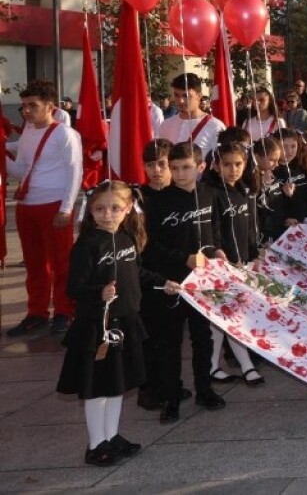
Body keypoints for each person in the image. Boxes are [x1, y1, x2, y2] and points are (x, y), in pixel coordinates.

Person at [58, 181, 181, 466]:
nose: (107, 214)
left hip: (126, 322)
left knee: (118, 386)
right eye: (100, 209)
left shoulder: (126, 239)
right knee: (97, 389)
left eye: (115, 208)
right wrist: (97, 293)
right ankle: (95, 444)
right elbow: (73, 288)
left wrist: (164, 283)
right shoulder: (86, 246)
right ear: (90, 211)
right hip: (98, 328)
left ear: (127, 209)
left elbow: (136, 272)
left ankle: (112, 437)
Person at [139, 142, 225, 422]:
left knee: (202, 337)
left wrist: (218, 252)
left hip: (202, 281)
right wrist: (182, 259)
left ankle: (204, 388)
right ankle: (171, 397)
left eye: (186, 167)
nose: (179, 173)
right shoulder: (158, 202)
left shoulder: (210, 194)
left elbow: (213, 233)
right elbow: (149, 247)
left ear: (200, 167)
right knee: (169, 342)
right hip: (171, 282)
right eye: (174, 168)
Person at [6, 79, 83, 337]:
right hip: (27, 205)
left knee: (62, 262)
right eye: (24, 106)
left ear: (50, 106)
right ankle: (36, 313)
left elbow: (76, 172)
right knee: (35, 264)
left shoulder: (65, 134)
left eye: (33, 105)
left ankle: (64, 311)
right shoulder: (28, 132)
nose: (26, 111)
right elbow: (21, 171)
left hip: (54, 206)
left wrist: (66, 208)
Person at [205, 142, 264, 388]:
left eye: (238, 164)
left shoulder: (243, 190)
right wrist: (222, 256)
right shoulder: (212, 193)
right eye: (227, 164)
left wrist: (254, 255)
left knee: (230, 316)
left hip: (244, 263)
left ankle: (213, 364)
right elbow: (213, 229)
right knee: (227, 315)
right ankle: (245, 365)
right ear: (217, 165)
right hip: (223, 264)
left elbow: (250, 229)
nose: (233, 169)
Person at [158, 73, 225, 159]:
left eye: (186, 96)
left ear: (199, 96)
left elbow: (221, 163)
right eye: (177, 95)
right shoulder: (166, 125)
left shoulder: (215, 126)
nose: (181, 101)